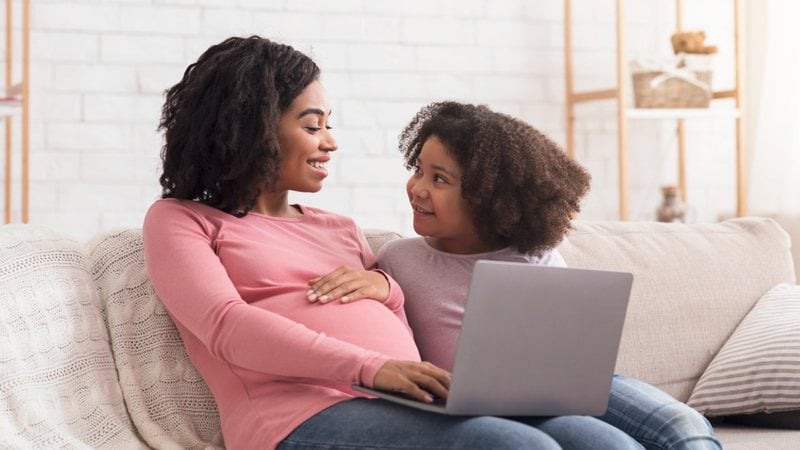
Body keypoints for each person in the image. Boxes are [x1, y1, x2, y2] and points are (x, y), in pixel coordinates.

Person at [142, 36, 643, 450]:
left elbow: (396, 316)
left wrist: (386, 288)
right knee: (516, 446)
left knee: (605, 443)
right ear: (251, 128)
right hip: (297, 418)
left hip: (405, 401)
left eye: (328, 125)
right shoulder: (182, 220)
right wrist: (371, 369)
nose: (330, 141)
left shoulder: (337, 227)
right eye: (312, 125)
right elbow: (227, 326)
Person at [361, 100, 720, 449]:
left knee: (686, 426)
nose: (417, 188)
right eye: (418, 169)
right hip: (486, 408)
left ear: (488, 197)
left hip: (568, 386)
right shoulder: (399, 259)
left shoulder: (535, 255)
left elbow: (570, 348)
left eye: (440, 179)